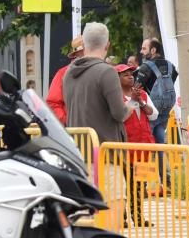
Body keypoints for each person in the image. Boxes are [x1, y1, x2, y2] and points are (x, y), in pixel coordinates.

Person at [63, 22, 131, 144]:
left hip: (78, 151)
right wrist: (131, 107)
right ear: (107, 45)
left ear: (83, 44)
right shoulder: (107, 72)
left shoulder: (68, 72)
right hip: (104, 152)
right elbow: (119, 114)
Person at [118, 63, 156, 226]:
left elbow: (154, 115)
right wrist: (132, 101)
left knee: (141, 184)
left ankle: (139, 217)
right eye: (125, 75)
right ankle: (122, 217)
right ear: (117, 79)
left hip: (144, 147)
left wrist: (140, 101)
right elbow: (121, 117)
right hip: (126, 148)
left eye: (131, 74)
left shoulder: (143, 94)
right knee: (125, 184)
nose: (131, 76)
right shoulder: (116, 98)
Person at [136, 37, 178, 143]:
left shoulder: (145, 67)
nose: (141, 52)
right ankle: (160, 159)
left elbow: (137, 88)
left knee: (146, 141)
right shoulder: (170, 65)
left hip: (150, 110)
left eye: (144, 49)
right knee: (160, 139)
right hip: (166, 109)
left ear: (153, 50)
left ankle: (149, 159)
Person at [45, 35, 84, 124]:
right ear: (77, 54)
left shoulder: (103, 70)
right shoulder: (63, 73)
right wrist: (68, 122)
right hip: (77, 132)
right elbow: (53, 103)